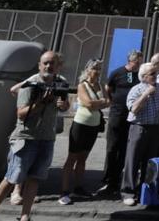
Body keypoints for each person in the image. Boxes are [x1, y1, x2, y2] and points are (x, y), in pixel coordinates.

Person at [0, 50, 70, 221]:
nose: (49, 66)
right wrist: (41, 103)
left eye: (52, 63)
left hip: (47, 139)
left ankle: (25, 217)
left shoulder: (61, 84)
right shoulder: (31, 84)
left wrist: (63, 105)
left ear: (57, 66)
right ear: (39, 65)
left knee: (34, 179)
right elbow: (21, 114)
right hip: (25, 138)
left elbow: (64, 106)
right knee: (12, 178)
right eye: (45, 63)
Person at [120, 62, 159, 206]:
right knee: (133, 160)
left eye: (156, 73)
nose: (155, 76)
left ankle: (144, 191)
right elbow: (133, 109)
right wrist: (146, 94)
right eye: (152, 74)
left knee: (150, 163)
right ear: (143, 76)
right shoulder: (136, 89)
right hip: (139, 128)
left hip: (156, 128)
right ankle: (128, 192)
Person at [59, 58, 110, 205]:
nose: (98, 71)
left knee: (83, 158)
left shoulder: (101, 85)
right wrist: (100, 102)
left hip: (93, 126)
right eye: (95, 68)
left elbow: (108, 102)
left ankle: (78, 187)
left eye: (99, 68)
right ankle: (64, 191)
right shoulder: (82, 85)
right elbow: (88, 103)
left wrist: (98, 103)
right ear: (88, 70)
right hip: (81, 125)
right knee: (72, 158)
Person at [97, 50, 143, 196]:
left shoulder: (138, 75)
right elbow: (108, 88)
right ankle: (108, 179)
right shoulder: (118, 73)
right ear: (130, 61)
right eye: (137, 62)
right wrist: (111, 101)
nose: (139, 64)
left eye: (140, 62)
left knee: (124, 148)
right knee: (112, 147)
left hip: (131, 116)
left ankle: (117, 179)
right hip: (117, 114)